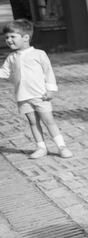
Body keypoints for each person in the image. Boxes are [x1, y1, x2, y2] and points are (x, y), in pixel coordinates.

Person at [1, 19, 72, 158]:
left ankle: (61, 147)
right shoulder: (11, 57)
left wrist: (51, 90)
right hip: (23, 97)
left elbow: (48, 72)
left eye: (12, 36)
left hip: (40, 95)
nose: (9, 40)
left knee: (49, 121)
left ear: (26, 37)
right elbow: (4, 72)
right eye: (7, 38)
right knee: (33, 122)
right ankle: (41, 147)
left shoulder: (39, 54)